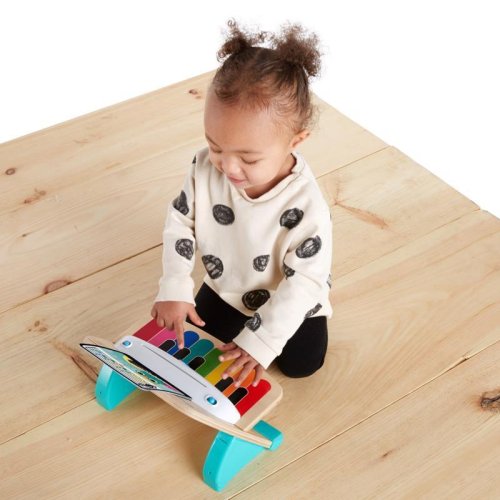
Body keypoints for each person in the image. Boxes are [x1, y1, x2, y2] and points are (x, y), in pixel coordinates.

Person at [151, 18, 333, 389]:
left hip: (289, 296)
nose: (228, 167)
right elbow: (181, 222)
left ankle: (268, 333)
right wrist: (174, 284)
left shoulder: (307, 204)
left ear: (296, 141)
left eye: (248, 158)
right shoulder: (204, 166)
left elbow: (306, 280)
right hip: (227, 287)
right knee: (202, 342)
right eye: (216, 145)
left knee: (302, 365)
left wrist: (262, 341)